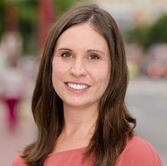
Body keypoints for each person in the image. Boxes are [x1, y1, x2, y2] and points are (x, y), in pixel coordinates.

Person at [12, 4, 162, 166]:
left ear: (113, 68)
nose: (77, 70)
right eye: (66, 54)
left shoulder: (136, 157)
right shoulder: (23, 162)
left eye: (93, 57)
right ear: (50, 64)